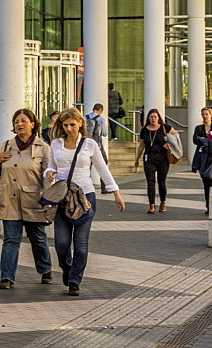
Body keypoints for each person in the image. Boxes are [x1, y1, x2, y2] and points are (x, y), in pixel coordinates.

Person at [44, 106, 125, 295]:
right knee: (62, 243)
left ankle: (75, 280)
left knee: (80, 243)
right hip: (63, 196)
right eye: (65, 125)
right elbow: (50, 167)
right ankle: (67, 268)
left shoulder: (90, 145)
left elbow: (102, 168)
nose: (69, 128)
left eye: (72, 124)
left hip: (85, 195)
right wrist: (49, 174)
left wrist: (116, 193)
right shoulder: (56, 143)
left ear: (80, 123)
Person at [0, 109, 53, 290]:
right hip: (9, 199)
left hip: (33, 200)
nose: (20, 124)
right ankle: (7, 277)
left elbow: (47, 175)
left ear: (32, 123)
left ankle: (45, 269)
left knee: (38, 238)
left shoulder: (42, 147)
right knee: (11, 239)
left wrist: (49, 200)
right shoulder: (6, 145)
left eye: (23, 121)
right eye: (17, 121)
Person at [133, 108, 179, 213]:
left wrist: (169, 142)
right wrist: (137, 159)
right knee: (150, 182)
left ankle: (163, 202)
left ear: (158, 118)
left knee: (161, 182)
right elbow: (141, 146)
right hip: (149, 158)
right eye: (151, 117)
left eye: (155, 117)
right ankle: (152, 205)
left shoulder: (165, 128)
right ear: (148, 118)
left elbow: (176, 135)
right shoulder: (144, 130)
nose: (153, 119)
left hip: (163, 158)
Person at [191, 107, 212, 214]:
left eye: (206, 114)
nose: (205, 117)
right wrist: (207, 141)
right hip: (202, 158)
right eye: (203, 114)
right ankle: (208, 206)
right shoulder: (199, 128)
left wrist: (204, 140)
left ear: (211, 116)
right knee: (206, 182)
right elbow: (195, 140)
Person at [85, 104, 109, 193]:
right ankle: (104, 187)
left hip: (86, 145)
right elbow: (104, 133)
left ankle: (86, 186)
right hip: (97, 145)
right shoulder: (101, 119)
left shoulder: (85, 117)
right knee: (103, 164)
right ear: (100, 110)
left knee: (87, 166)